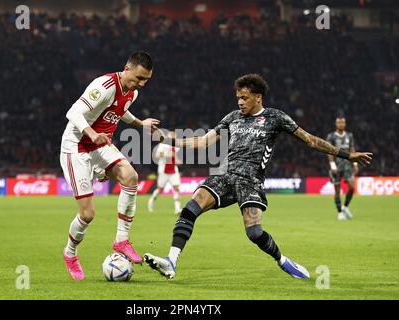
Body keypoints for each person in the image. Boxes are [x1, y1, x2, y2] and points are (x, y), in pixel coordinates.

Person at [144, 74, 372, 280]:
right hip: (223, 175)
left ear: (258, 97)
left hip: (250, 181)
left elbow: (310, 140)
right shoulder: (232, 117)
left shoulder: (275, 118)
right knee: (190, 209)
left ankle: (283, 261)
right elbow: (203, 141)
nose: (240, 102)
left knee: (254, 233)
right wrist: (167, 138)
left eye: (244, 97)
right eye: (238, 98)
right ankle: (171, 261)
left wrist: (347, 155)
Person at [60, 51, 160, 281]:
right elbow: (73, 112)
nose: (141, 84)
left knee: (131, 177)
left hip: (100, 144)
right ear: (126, 69)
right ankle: (70, 253)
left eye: (145, 80)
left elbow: (120, 111)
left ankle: (121, 240)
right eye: (138, 78)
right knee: (87, 215)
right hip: (77, 147)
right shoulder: (104, 85)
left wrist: (139, 123)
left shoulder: (131, 92)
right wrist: (91, 133)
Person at [326, 117, 357, 220]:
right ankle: (340, 212)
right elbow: (329, 151)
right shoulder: (331, 136)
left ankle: (345, 207)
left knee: (352, 188)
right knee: (337, 190)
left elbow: (352, 149)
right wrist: (332, 165)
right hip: (336, 166)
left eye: (342, 122)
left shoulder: (349, 136)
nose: (341, 124)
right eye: (339, 122)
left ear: (345, 124)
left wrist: (355, 163)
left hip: (347, 165)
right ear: (336, 124)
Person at [148, 131, 182, 215]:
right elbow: (157, 155)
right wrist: (168, 154)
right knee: (160, 189)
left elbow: (175, 157)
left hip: (173, 170)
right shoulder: (163, 145)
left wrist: (177, 161)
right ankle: (152, 200)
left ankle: (177, 209)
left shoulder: (176, 146)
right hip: (163, 170)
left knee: (176, 188)